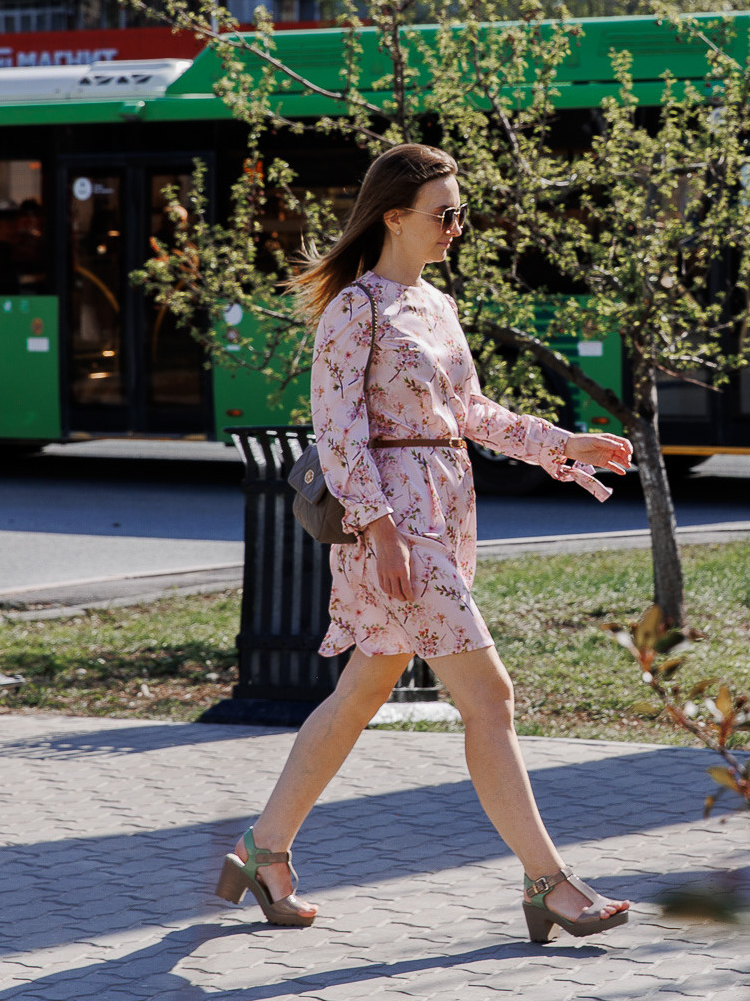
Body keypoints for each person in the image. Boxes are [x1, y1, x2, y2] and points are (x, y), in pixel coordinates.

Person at [212, 144, 637, 943]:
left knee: (362, 694)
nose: (457, 227)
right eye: (444, 213)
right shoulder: (355, 309)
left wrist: (561, 444)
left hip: (442, 514)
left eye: (461, 213)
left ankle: (262, 848)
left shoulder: (435, 307)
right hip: (394, 530)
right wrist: (379, 531)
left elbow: (470, 413)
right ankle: (548, 881)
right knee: (491, 696)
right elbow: (337, 435)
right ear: (393, 216)